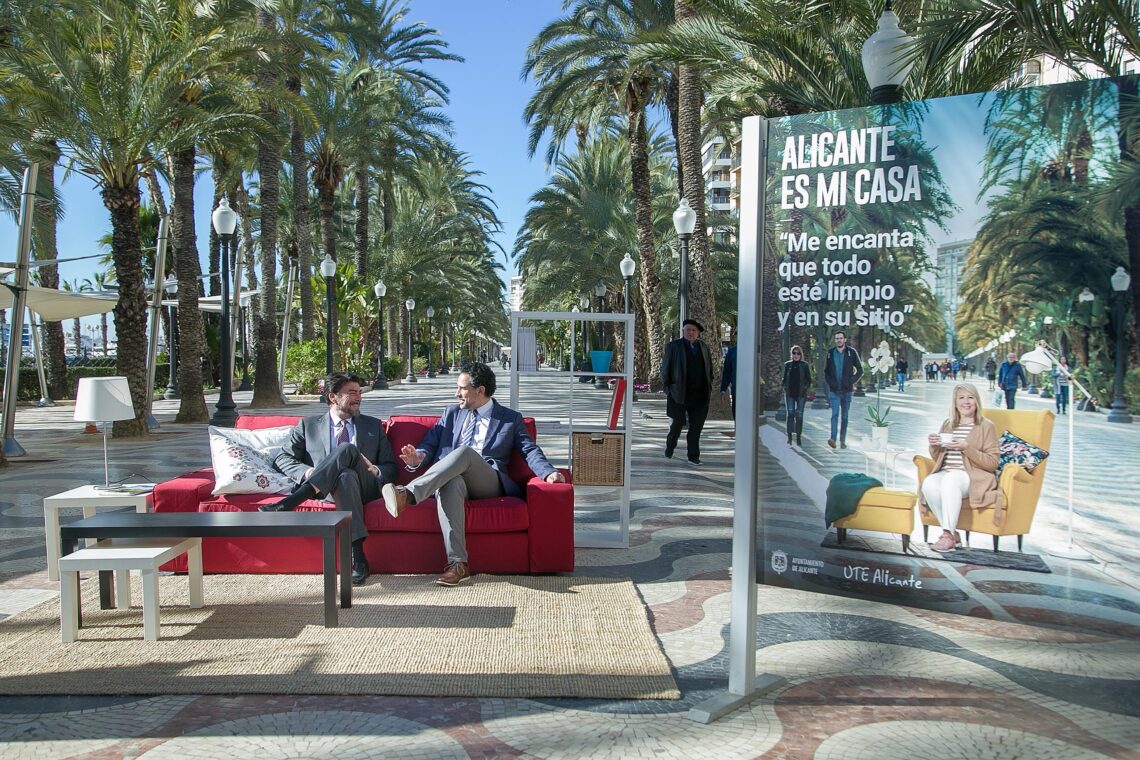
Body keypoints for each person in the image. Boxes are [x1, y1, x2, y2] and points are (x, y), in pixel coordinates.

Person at [382, 361, 565, 586]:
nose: (456, 393)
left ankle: (407, 495)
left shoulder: (509, 419)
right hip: (452, 479)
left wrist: (548, 473)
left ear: (480, 390)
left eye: (462, 388)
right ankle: (458, 564)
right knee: (450, 484)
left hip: (487, 481)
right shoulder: (451, 413)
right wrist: (417, 458)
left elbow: (529, 449)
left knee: (465, 453)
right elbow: (428, 445)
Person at [264, 372, 398, 586]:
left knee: (347, 449)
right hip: (327, 490)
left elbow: (391, 468)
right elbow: (282, 457)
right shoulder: (309, 426)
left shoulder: (372, 426)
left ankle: (292, 500)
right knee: (345, 476)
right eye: (352, 392)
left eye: (360, 392)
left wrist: (375, 470)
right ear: (333, 397)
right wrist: (308, 473)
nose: (359, 397)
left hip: (366, 487)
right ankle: (358, 558)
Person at [919, 383, 1000, 552]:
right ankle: (953, 535)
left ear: (977, 401)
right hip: (947, 472)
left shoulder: (987, 426)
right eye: (961, 398)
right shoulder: (948, 424)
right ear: (955, 403)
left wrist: (966, 447)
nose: (966, 402)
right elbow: (939, 458)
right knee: (929, 483)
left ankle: (947, 535)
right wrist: (934, 445)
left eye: (970, 397)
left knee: (951, 479)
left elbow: (992, 463)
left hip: (972, 476)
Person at [661, 318, 713, 465]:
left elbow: (710, 369)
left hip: (700, 396)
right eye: (687, 330)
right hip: (679, 395)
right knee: (676, 426)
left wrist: (709, 386)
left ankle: (693, 456)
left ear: (698, 333)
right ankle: (670, 447)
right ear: (683, 331)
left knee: (696, 429)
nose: (690, 332)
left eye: (693, 330)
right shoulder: (673, 346)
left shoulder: (703, 347)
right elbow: (665, 369)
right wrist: (668, 389)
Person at [823, 330, 863, 449]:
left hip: (847, 391)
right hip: (834, 391)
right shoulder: (830, 353)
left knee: (844, 416)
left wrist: (850, 382)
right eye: (836, 338)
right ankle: (833, 439)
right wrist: (831, 384)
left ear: (845, 339)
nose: (838, 340)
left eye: (840, 338)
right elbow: (826, 372)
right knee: (834, 414)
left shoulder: (851, 352)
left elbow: (860, 371)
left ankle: (842, 441)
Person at [783, 345, 811, 447]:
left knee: (799, 415)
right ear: (791, 354)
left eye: (798, 353)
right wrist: (785, 388)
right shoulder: (787, 365)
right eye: (794, 353)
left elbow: (809, 380)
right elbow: (784, 378)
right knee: (790, 414)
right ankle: (789, 437)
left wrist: (804, 389)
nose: (796, 355)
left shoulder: (804, 365)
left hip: (801, 395)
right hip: (790, 394)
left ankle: (798, 437)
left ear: (801, 354)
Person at [719, 343, 737, 437]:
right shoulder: (732, 352)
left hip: (751, 391)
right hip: (736, 389)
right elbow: (727, 372)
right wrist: (723, 390)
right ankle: (737, 430)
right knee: (736, 410)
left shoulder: (753, 349)